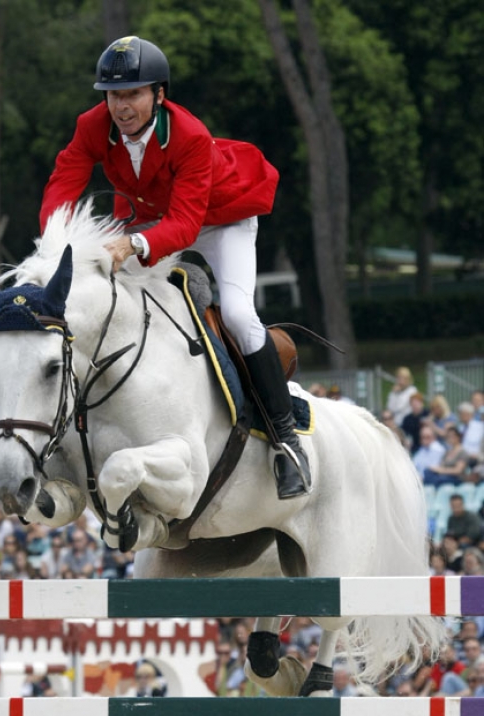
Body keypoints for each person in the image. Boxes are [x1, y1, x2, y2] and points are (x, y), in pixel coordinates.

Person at [39, 35, 310, 500]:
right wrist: (53, 242)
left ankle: (286, 442)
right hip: (150, 215)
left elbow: (185, 226)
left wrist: (134, 243)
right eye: (113, 94)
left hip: (218, 219)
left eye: (132, 94)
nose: (121, 106)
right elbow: (65, 180)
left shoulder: (189, 135)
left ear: (158, 94)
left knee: (240, 317)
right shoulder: (92, 125)